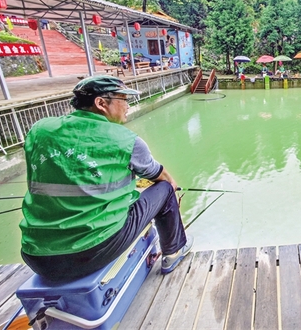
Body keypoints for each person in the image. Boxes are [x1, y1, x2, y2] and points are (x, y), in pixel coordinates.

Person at [20, 76, 193, 282]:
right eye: (123, 99)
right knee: (164, 188)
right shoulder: (126, 140)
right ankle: (174, 252)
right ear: (101, 103)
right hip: (93, 252)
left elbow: (70, 171)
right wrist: (171, 187)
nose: (128, 106)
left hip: (36, 257)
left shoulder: (40, 130)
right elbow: (162, 177)